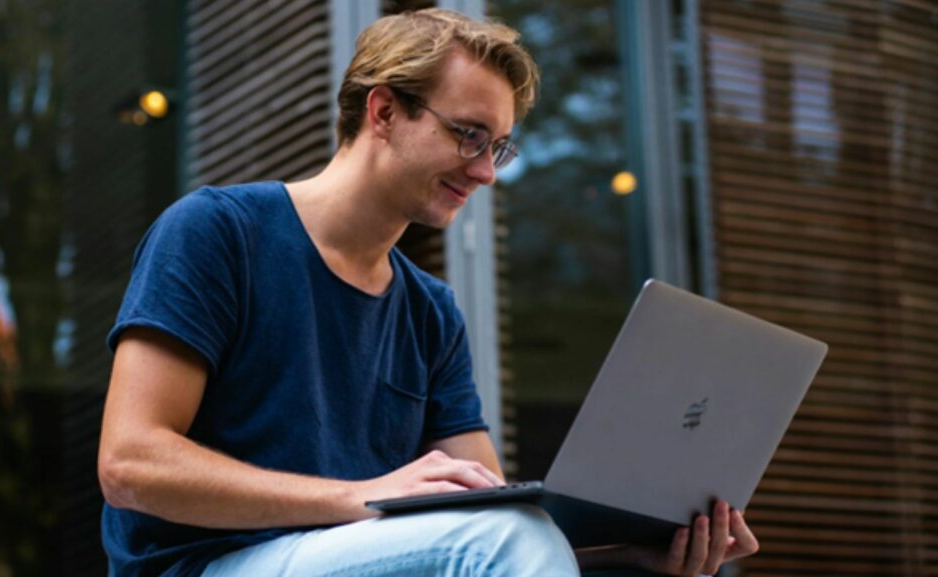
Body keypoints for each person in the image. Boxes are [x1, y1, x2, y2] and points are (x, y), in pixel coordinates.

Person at [97, 8, 758, 577]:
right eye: (469, 135)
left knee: (513, 527)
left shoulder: (430, 311)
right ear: (383, 111)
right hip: (205, 565)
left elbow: (489, 518)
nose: (486, 171)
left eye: (500, 147)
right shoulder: (217, 233)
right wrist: (359, 496)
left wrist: (628, 553)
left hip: (349, 554)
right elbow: (129, 463)